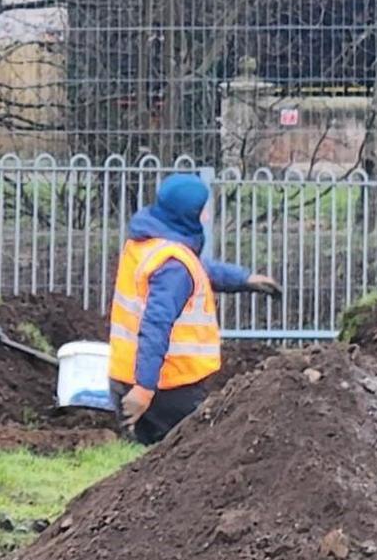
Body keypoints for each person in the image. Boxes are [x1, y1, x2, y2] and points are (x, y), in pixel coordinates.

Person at [109, 174, 280, 444]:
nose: (208, 215)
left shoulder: (147, 243)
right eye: (205, 209)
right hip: (168, 388)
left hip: (126, 376)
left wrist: (243, 278)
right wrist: (144, 390)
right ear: (192, 214)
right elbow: (156, 326)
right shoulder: (174, 266)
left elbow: (197, 268)